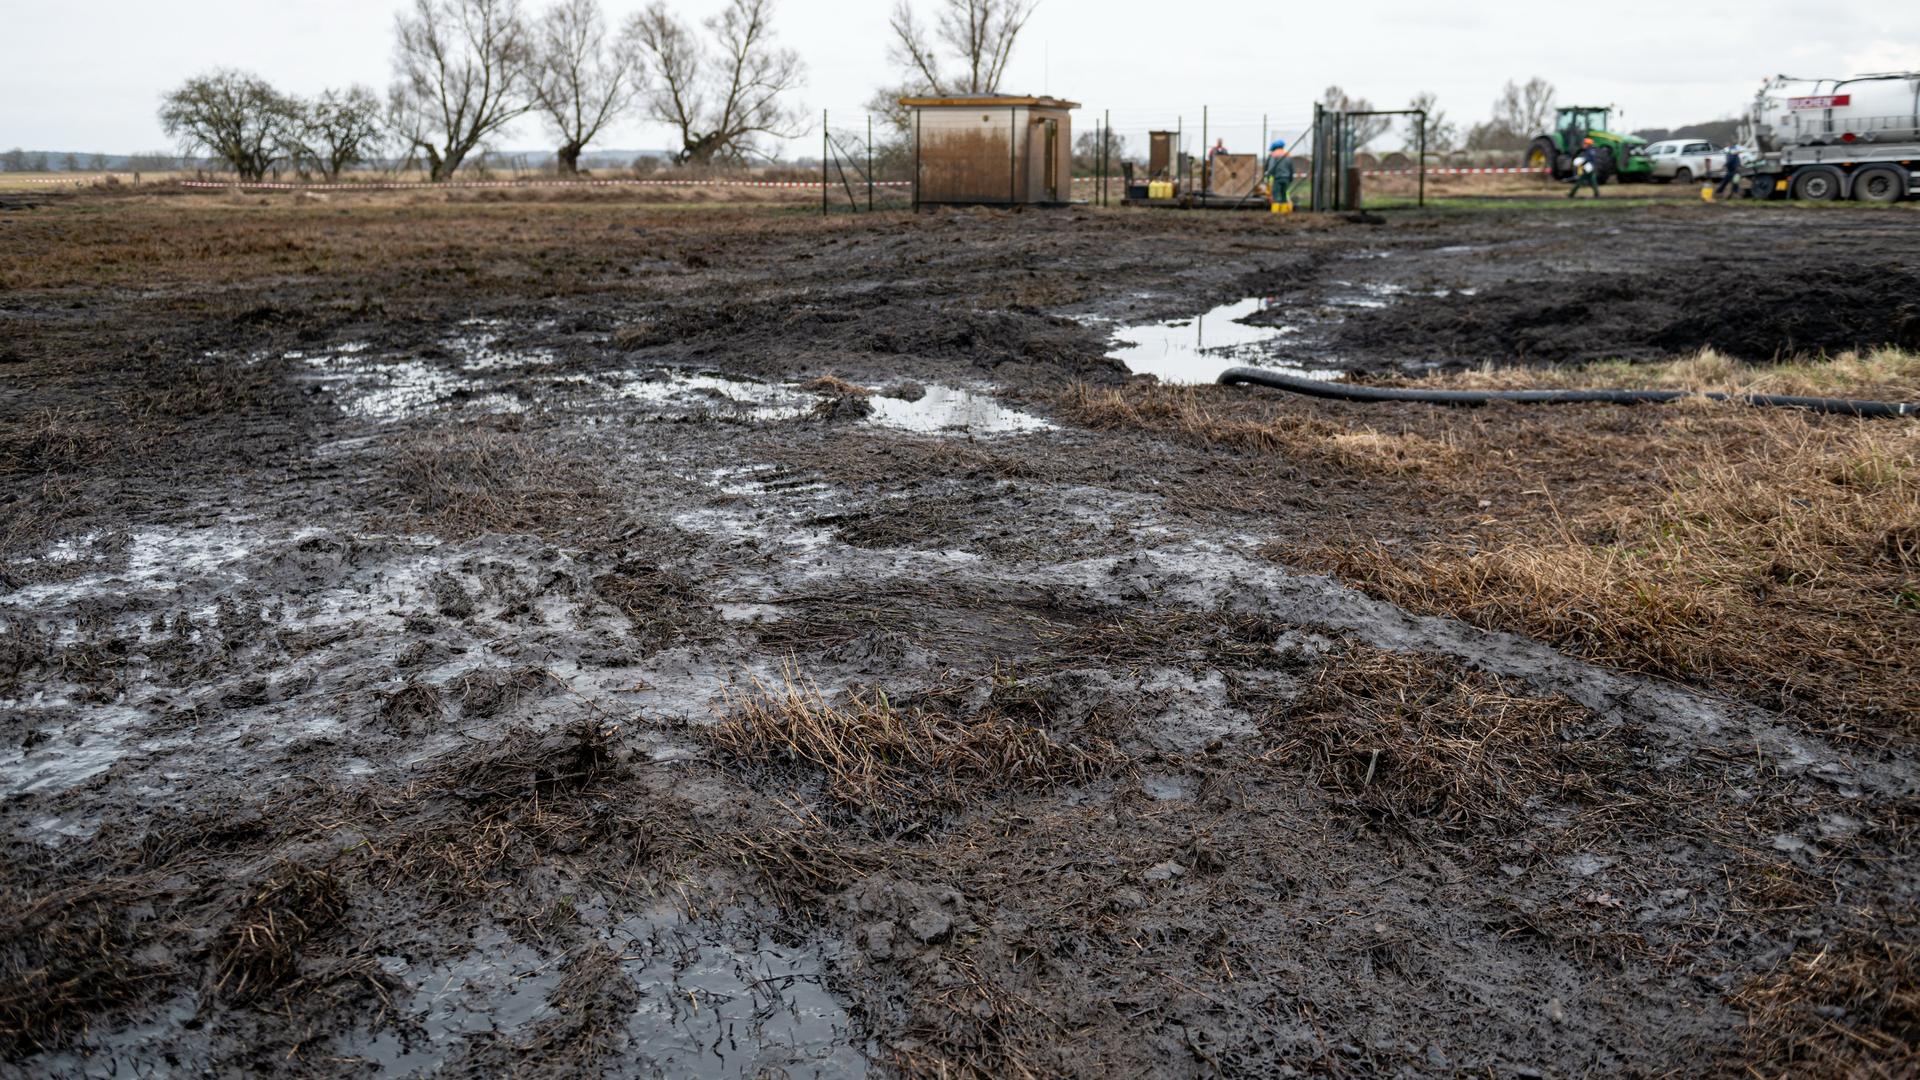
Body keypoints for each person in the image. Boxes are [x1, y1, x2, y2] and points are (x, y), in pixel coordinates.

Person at [1264, 139, 1295, 207]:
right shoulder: (1287, 154)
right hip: (1286, 178)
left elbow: (1271, 167)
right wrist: (1291, 178)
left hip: (1277, 178)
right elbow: (1291, 167)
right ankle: (1284, 210)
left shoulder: (1273, 154)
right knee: (1284, 195)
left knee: (1276, 194)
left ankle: (1276, 210)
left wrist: (1268, 177)